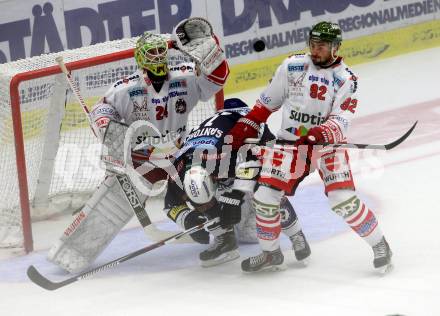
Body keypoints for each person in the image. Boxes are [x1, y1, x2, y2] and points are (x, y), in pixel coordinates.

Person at [47, 17, 230, 273]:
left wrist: (213, 50)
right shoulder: (126, 88)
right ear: (141, 58)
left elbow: (216, 81)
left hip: (179, 152)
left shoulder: (185, 76)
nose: (157, 58)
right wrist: (103, 123)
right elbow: (103, 109)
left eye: (161, 52)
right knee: (109, 204)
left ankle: (226, 234)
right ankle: (71, 255)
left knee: (200, 187)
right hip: (141, 160)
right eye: (151, 53)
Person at [227, 21, 393, 273]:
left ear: (335, 47)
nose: (316, 51)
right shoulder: (292, 65)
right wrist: (249, 123)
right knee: (265, 197)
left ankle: (380, 245)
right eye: (313, 45)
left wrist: (321, 133)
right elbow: (267, 102)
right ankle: (270, 253)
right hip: (290, 145)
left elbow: (341, 120)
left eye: (322, 46)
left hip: (326, 147)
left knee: (343, 201)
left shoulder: (346, 80)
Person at [164, 98, 311, 267]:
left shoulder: (227, 151)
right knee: (212, 194)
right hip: (217, 149)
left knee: (268, 186)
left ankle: (296, 235)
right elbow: (170, 203)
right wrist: (188, 219)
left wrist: (234, 198)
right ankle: (225, 240)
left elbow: (255, 164)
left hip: (250, 140)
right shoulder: (178, 169)